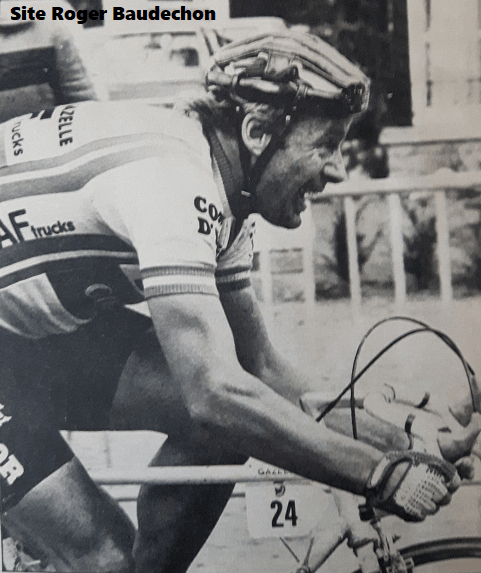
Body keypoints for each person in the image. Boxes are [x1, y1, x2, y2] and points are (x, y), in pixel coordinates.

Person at [0, 31, 477, 573]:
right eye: (326, 144)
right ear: (256, 132)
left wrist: (406, 443)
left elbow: (262, 371)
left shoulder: (223, 193)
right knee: (105, 556)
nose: (338, 170)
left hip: (29, 337)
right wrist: (378, 474)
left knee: (243, 423)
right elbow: (212, 393)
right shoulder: (171, 181)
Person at [0, 0, 100, 123]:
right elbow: (84, 94)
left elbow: (84, 99)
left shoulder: (54, 15)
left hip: (47, 129)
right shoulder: (55, 14)